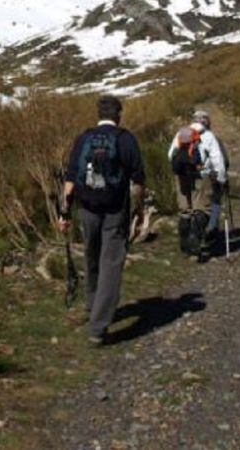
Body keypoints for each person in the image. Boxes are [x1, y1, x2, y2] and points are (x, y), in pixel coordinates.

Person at [58, 95, 146, 345]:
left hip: (86, 208)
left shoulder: (83, 138)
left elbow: (70, 179)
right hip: (115, 209)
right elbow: (138, 180)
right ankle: (98, 327)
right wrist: (139, 211)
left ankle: (91, 305)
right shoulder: (126, 139)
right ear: (119, 114)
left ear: (98, 114)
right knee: (111, 262)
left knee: (91, 255)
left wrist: (65, 213)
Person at [167, 110, 229, 252]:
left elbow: (170, 155)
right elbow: (217, 159)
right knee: (201, 209)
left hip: (181, 176)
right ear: (206, 121)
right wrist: (221, 178)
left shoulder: (181, 133)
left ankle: (184, 245)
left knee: (185, 210)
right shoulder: (208, 136)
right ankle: (196, 240)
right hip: (200, 175)